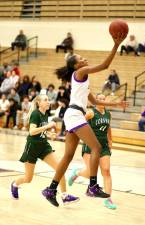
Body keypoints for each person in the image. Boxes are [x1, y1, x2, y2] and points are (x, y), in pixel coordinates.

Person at [42, 32, 127, 207]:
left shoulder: (81, 81)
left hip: (73, 114)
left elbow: (94, 101)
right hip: (74, 114)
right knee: (96, 146)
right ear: (76, 65)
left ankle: (51, 189)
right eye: (81, 58)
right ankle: (92, 186)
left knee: (67, 156)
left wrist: (117, 104)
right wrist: (116, 45)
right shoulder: (80, 72)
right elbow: (105, 65)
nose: (85, 58)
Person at [10, 94, 79, 206]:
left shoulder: (45, 114)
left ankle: (64, 196)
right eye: (45, 100)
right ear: (39, 103)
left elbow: (39, 130)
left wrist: (47, 132)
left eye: (48, 100)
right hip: (32, 147)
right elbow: (32, 131)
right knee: (28, 178)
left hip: (43, 146)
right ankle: (14, 184)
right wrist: (47, 127)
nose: (48, 102)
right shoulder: (35, 114)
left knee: (59, 169)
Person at [68, 93, 116, 209]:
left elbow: (108, 128)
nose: (101, 100)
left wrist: (110, 141)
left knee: (106, 171)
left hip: (103, 146)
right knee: (90, 173)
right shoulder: (91, 113)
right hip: (91, 145)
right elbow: (80, 124)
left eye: (103, 99)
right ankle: (77, 173)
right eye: (99, 99)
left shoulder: (108, 114)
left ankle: (108, 199)